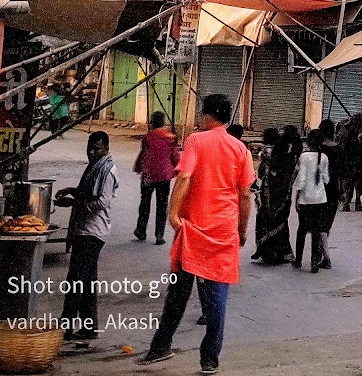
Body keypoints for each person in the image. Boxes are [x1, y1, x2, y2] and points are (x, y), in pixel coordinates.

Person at [139, 92, 256, 375]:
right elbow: (245, 195)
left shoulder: (196, 140)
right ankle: (209, 359)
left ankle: (160, 347)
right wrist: (241, 230)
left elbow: (185, 177)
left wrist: (172, 214)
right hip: (224, 231)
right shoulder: (241, 149)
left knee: (178, 292)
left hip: (192, 230)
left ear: (206, 116)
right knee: (216, 297)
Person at [57, 131, 119, 342]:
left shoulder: (107, 170)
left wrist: (74, 203)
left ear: (106, 148)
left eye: (97, 148)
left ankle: (66, 326)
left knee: (75, 279)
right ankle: (89, 326)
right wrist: (73, 191)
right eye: (90, 148)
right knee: (87, 281)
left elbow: (101, 201)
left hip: (92, 232)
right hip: (84, 229)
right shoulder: (95, 166)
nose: (92, 152)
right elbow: (88, 192)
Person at [253, 128, 296, 264]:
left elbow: (261, 176)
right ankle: (283, 252)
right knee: (280, 223)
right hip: (282, 196)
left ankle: (266, 251)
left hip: (267, 196)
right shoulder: (286, 154)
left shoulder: (267, 153)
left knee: (264, 221)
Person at [135, 111, 179, 244]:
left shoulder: (148, 137)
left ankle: (141, 230)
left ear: (152, 123)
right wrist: (178, 168)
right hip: (164, 176)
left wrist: (138, 166)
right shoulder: (171, 138)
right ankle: (159, 235)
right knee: (162, 205)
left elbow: (143, 154)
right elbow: (175, 156)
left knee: (145, 203)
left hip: (148, 175)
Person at [294, 129, 332, 272]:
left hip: (305, 198)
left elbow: (301, 178)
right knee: (316, 230)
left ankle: (298, 260)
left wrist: (297, 195)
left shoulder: (304, 157)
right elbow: (326, 179)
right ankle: (314, 263)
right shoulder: (324, 157)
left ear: (308, 141)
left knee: (302, 229)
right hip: (320, 198)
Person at [342, 114, 362, 210]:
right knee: (349, 178)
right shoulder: (348, 135)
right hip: (349, 155)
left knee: (358, 177)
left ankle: (357, 200)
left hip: (360, 156)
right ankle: (348, 201)